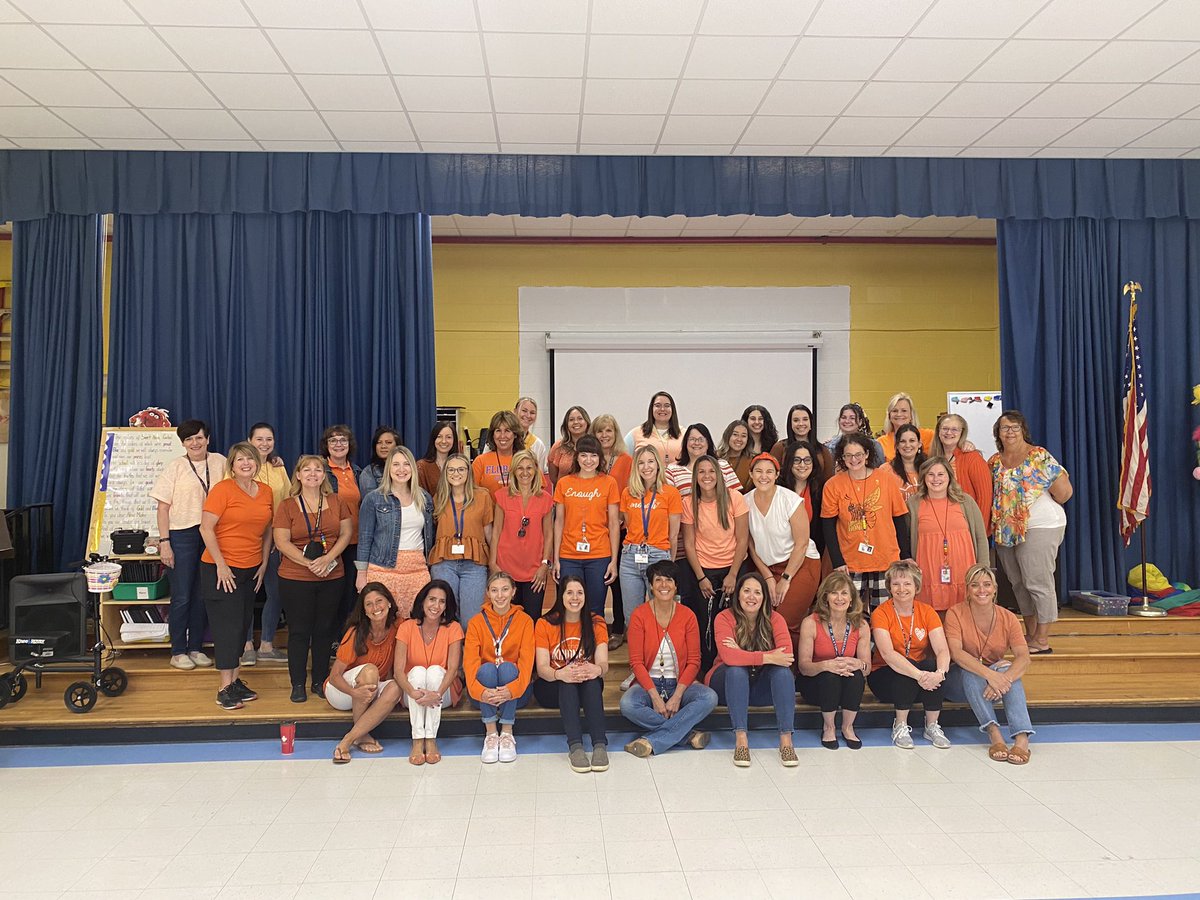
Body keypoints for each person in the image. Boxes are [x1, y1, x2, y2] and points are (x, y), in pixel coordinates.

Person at [989, 410, 1072, 654]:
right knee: (1018, 583)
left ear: (1023, 430)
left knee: (1038, 581)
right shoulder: (994, 462)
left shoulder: (1038, 456)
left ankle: (1042, 639)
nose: (1010, 431)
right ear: (998, 433)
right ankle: (1031, 633)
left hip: (1041, 524)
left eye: (1015, 427)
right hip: (1006, 530)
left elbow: (1065, 493)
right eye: (1005, 427)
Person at [198, 443, 274, 711]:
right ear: (232, 464)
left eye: (250, 459)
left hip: (250, 569)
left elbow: (267, 531)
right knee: (227, 629)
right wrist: (220, 564)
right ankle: (224, 688)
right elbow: (206, 528)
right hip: (221, 570)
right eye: (240, 459)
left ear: (257, 463)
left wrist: (264, 564)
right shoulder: (222, 490)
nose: (246, 463)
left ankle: (236, 681)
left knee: (243, 627)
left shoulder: (265, 492)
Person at [273, 454, 353, 702]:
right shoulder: (287, 505)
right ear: (297, 475)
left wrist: (327, 560)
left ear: (323, 476)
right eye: (306, 470)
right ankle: (298, 683)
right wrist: (309, 563)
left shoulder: (336, 501)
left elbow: (346, 533)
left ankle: (319, 680)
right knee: (298, 631)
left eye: (317, 470)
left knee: (324, 630)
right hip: (296, 577)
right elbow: (281, 542)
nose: (312, 474)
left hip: (331, 575)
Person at [621, 560, 717, 757]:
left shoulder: (687, 615)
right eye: (658, 580)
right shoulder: (639, 615)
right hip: (648, 684)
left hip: (680, 683)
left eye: (668, 580)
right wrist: (655, 697)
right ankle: (686, 735)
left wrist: (677, 696)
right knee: (628, 704)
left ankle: (652, 740)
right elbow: (636, 663)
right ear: (651, 585)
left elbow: (694, 661)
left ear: (676, 586)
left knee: (709, 697)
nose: (663, 585)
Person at [151, 418, 224, 671]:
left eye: (199, 437)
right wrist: (165, 543)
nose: (195, 442)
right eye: (189, 439)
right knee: (181, 595)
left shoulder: (221, 462)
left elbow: (247, 471)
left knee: (202, 594)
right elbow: (162, 508)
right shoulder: (176, 467)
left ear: (208, 439)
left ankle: (196, 647)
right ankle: (178, 650)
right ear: (183, 443)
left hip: (212, 534)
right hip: (181, 535)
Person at [945, 563, 1034, 764]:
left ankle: (1022, 738)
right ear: (967, 589)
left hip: (993, 687)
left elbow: (1023, 657)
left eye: (987, 585)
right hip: (959, 682)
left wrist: (1003, 679)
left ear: (994, 589)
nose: (981, 590)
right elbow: (957, 654)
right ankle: (993, 733)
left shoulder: (1008, 617)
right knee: (970, 669)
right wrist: (991, 676)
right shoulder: (955, 613)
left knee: (1006, 668)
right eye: (975, 585)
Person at [706, 573, 798, 767]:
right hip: (727, 684)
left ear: (764, 597)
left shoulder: (776, 619)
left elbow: (787, 655)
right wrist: (768, 656)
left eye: (757, 592)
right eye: (746, 591)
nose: (751, 597)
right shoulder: (724, 618)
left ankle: (786, 741)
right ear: (738, 594)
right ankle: (741, 740)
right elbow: (730, 658)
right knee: (736, 670)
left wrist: (742, 653)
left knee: (782, 673)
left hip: (758, 686)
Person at [745, 453, 822, 663]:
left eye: (769, 472)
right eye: (759, 471)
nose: (764, 476)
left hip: (801, 564)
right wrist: (768, 577)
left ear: (777, 474)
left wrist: (785, 580)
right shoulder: (745, 502)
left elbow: (802, 543)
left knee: (786, 620)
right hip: (769, 568)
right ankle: (772, 672)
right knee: (766, 620)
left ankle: (792, 673)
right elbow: (749, 544)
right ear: (751, 474)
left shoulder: (790, 500)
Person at [821, 434, 911, 609]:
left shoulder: (886, 479)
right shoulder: (833, 485)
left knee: (883, 613)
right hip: (850, 561)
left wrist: (905, 554)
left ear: (867, 454)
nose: (854, 460)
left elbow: (899, 519)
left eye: (859, 454)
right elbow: (828, 527)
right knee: (851, 612)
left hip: (885, 558)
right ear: (842, 457)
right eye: (848, 455)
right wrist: (837, 561)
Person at [868, 561, 952, 750]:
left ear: (916, 587)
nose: (901, 589)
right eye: (896, 584)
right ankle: (900, 725)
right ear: (889, 587)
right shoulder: (881, 613)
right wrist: (919, 676)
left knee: (932, 665)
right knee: (905, 667)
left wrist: (939, 673)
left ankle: (932, 726)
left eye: (907, 584)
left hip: (920, 680)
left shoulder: (927, 611)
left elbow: (942, 650)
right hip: (885, 676)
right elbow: (888, 654)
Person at [533, 575, 611, 773]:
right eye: (569, 592)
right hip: (552, 685)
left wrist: (596, 669)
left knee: (592, 681)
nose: (574, 598)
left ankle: (599, 745)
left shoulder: (597, 622)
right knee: (567, 682)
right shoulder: (544, 623)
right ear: (561, 596)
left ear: (585, 596)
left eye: (579, 593)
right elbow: (542, 669)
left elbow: (603, 664)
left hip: (586, 687)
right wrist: (561, 674)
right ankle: (575, 746)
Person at [680, 455, 750, 659]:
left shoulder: (734, 498)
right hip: (704, 570)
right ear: (695, 476)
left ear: (719, 475)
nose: (707, 476)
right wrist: (701, 578)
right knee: (706, 622)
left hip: (733, 567)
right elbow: (689, 544)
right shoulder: (689, 502)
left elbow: (743, 539)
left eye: (711, 471)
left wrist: (733, 574)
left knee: (734, 619)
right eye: (701, 471)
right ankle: (708, 667)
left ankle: (736, 660)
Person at [464, 571, 536, 763]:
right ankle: (490, 734)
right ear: (487, 593)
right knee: (486, 669)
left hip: (516, 694)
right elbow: (470, 666)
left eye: (505, 589)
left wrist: (511, 691)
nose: (500, 595)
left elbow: (527, 664)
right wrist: (482, 692)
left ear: (513, 592)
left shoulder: (525, 621)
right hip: (482, 696)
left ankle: (506, 733)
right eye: (494, 590)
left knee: (508, 669)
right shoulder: (476, 623)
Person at [327, 582, 402, 763]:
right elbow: (334, 676)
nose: (375, 608)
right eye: (369, 604)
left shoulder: (398, 626)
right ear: (364, 611)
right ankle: (358, 736)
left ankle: (352, 737)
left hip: (369, 690)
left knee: (396, 688)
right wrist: (354, 692)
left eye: (379, 601)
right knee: (370, 670)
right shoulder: (356, 631)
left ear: (389, 603)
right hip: (341, 691)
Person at [355, 446, 434, 618]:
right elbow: (365, 539)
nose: (401, 469)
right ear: (388, 469)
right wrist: (361, 574)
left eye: (406, 464)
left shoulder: (425, 498)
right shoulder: (373, 499)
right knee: (385, 622)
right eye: (396, 464)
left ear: (413, 468)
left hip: (417, 570)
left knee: (415, 622)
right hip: (383, 570)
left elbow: (430, 537)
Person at [797, 572, 872, 749]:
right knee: (830, 677)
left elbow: (867, 667)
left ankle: (848, 727)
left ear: (852, 599)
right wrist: (826, 666)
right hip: (815, 683)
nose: (839, 598)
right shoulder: (810, 622)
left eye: (844, 593)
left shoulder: (861, 625)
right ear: (826, 598)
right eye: (834, 593)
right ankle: (829, 727)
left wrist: (858, 664)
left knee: (856, 676)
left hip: (845, 683)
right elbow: (803, 667)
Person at [395, 580, 465, 766]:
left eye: (442, 601)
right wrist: (412, 692)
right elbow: (398, 671)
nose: (436, 606)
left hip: (443, 693)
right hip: (412, 694)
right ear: (422, 601)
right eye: (432, 599)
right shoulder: (406, 627)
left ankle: (431, 740)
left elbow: (452, 669)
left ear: (447, 605)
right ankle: (418, 740)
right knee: (417, 672)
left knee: (434, 671)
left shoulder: (454, 628)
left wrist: (437, 694)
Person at [908, 456, 989, 612]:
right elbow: (905, 539)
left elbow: (980, 538)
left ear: (949, 477)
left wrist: (983, 571)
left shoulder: (966, 501)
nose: (936, 479)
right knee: (932, 616)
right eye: (930, 474)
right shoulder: (914, 504)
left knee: (964, 615)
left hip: (964, 571)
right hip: (928, 574)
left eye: (941, 474)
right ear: (923, 478)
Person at [553, 434, 620, 618]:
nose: (588, 460)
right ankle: (574, 645)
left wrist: (613, 561)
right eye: (584, 455)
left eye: (593, 456)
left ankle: (595, 646)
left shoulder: (609, 483)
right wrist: (556, 558)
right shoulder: (564, 483)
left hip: (599, 555)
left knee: (595, 609)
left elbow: (614, 524)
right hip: (568, 555)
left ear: (600, 457)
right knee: (570, 607)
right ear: (577, 457)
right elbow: (558, 522)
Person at [428, 453, 493, 626]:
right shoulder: (438, 498)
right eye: (451, 469)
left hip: (474, 564)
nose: (456, 473)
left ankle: (468, 652)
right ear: (445, 473)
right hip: (444, 563)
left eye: (461, 469)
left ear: (468, 472)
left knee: (471, 619)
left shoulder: (483, 496)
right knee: (446, 616)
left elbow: (489, 534)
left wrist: (494, 563)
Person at [243, 422, 289, 666]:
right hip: (248, 541)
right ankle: (247, 644)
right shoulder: (240, 466)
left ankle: (267, 645)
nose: (264, 444)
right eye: (259, 439)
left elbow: (289, 500)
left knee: (276, 592)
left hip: (276, 540)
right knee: (247, 594)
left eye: (268, 439)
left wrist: (280, 536)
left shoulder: (278, 467)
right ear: (250, 440)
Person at [489, 449, 554, 622]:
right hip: (506, 567)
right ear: (513, 471)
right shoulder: (502, 496)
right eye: (520, 468)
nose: (525, 473)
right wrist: (493, 563)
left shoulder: (546, 499)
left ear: (536, 470)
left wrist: (545, 565)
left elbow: (549, 535)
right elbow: (496, 531)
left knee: (532, 619)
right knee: (508, 620)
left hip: (534, 570)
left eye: (529, 468)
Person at [619, 446, 682, 620]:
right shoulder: (628, 493)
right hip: (630, 557)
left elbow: (674, 534)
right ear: (635, 467)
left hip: (659, 555)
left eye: (650, 461)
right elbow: (630, 526)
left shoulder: (671, 493)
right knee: (631, 615)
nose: (646, 467)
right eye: (641, 463)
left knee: (662, 612)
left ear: (658, 464)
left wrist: (670, 562)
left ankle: (661, 647)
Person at [593, 413, 633, 645]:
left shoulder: (626, 459)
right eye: (600, 431)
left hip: (619, 527)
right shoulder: (590, 460)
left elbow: (630, 492)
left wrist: (621, 519)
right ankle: (595, 628)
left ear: (615, 433)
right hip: (596, 530)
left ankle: (619, 629)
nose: (604, 435)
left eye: (608, 430)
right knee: (597, 579)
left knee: (617, 581)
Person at [322, 424, 362, 633]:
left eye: (343, 440)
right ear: (326, 445)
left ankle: (346, 637)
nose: (338, 444)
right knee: (332, 592)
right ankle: (331, 638)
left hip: (355, 542)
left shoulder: (357, 471)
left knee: (350, 593)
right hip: (331, 542)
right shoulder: (320, 470)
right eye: (333, 440)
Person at [932, 413, 992, 534]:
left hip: (969, 528)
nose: (949, 433)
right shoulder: (933, 458)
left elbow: (985, 498)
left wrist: (979, 532)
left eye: (954, 429)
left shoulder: (972, 458)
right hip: (942, 527)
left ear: (962, 433)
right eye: (945, 428)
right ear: (938, 431)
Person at [666, 423, 741, 504]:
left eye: (701, 439)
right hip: (686, 515)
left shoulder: (723, 465)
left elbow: (736, 498)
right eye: (692, 439)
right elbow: (667, 500)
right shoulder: (672, 469)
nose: (697, 443)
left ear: (708, 443)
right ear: (685, 443)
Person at [779, 440, 827, 558]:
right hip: (780, 554)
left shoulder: (820, 490)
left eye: (807, 460)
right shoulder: (778, 488)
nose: (802, 465)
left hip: (809, 555)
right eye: (796, 460)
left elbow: (821, 532)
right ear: (789, 462)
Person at [771, 403, 833, 475]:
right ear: (790, 424)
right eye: (796, 420)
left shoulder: (823, 450)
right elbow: (772, 474)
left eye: (805, 419)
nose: (801, 423)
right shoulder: (780, 448)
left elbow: (828, 478)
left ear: (811, 423)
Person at [624, 391, 683, 466]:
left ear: (673, 409)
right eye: (658, 405)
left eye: (667, 406)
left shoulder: (685, 434)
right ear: (651, 409)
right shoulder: (635, 434)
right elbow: (622, 461)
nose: (662, 409)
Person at [473, 410, 524, 496]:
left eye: (507, 430)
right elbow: (471, 493)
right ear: (492, 435)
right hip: (488, 509)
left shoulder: (525, 460)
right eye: (498, 431)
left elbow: (537, 490)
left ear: (515, 434)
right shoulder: (480, 461)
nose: (502, 436)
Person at [877, 392, 935, 460]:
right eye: (895, 411)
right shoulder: (881, 442)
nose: (899, 414)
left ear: (911, 415)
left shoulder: (929, 436)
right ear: (889, 416)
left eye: (904, 411)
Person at [547, 405, 591, 489]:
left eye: (580, 418)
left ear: (587, 422)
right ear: (566, 425)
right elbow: (554, 478)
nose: (576, 422)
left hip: (590, 495)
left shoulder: (594, 445)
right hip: (564, 496)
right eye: (571, 420)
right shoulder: (558, 447)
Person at [417, 422, 460, 497]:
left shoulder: (461, 465)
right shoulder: (421, 467)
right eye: (439, 436)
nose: (443, 441)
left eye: (448, 437)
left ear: (454, 440)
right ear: (434, 439)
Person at [888, 422, 927, 502]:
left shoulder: (930, 467)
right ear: (897, 445)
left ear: (919, 444)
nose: (907, 445)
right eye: (902, 441)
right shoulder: (886, 470)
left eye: (912, 441)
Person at [359, 426, 402, 495]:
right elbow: (371, 502)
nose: (383, 446)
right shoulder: (368, 472)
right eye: (379, 442)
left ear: (397, 445)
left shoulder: (406, 469)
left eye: (388, 442)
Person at [515, 397, 549, 474]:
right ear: (515, 411)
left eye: (532, 412)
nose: (528, 415)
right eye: (524, 411)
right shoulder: (502, 439)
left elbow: (539, 476)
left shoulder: (538, 445)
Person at [718, 420, 753, 490]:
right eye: (735, 434)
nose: (739, 439)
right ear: (727, 436)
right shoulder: (715, 458)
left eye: (743, 436)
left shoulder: (751, 462)